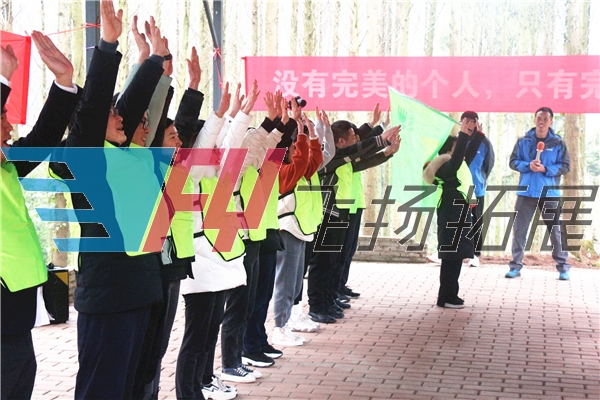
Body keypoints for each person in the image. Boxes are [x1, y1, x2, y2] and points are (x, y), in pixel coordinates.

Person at [1, 31, 81, 400]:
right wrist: (3, 78)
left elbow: (42, 138)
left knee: (21, 377)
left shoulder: (7, 165)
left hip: (15, 305)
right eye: (2, 116)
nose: (9, 126)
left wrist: (64, 82)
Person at [423, 118, 484, 309]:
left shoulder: (456, 163)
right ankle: (446, 296)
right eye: (457, 147)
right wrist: (463, 134)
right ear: (449, 151)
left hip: (460, 209)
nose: (461, 151)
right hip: (451, 211)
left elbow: (467, 154)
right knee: (451, 256)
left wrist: (477, 135)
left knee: (457, 254)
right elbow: (457, 158)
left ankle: (450, 295)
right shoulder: (444, 166)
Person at [506, 107, 571, 280]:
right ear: (534, 120)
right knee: (519, 230)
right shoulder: (523, 141)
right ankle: (515, 266)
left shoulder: (558, 143)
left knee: (556, 231)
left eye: (545, 119)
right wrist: (528, 165)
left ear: (551, 121)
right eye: (539, 118)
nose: (541, 122)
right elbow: (513, 162)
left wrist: (546, 169)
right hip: (526, 192)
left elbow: (565, 166)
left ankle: (563, 267)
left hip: (549, 193)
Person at [463, 111, 495, 268]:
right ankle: (450, 251)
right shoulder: (456, 140)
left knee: (475, 221)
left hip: (476, 188)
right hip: (457, 188)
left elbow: (488, 165)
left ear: (477, 124)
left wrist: (480, 179)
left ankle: (475, 254)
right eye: (466, 121)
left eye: (472, 121)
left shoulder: (484, 142)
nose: (469, 124)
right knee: (454, 220)